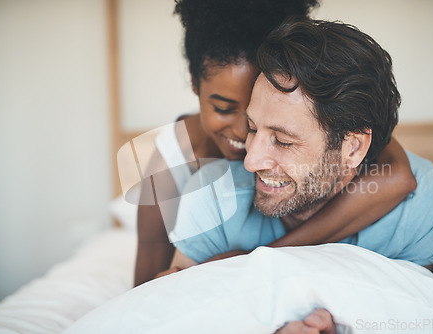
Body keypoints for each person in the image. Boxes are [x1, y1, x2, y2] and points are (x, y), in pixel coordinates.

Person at [134, 1, 417, 286]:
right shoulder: (170, 162)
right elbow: (144, 292)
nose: (242, 130)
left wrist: (251, 260)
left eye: (276, 131)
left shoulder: (344, 134)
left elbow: (399, 178)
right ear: (195, 85)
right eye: (224, 109)